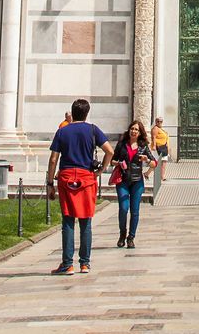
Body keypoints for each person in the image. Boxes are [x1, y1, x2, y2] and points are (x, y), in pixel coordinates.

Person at [47, 99, 110, 275]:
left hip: (67, 177)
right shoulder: (92, 130)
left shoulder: (62, 131)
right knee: (85, 221)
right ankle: (85, 263)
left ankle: (67, 264)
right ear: (87, 113)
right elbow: (109, 151)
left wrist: (50, 183)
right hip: (86, 178)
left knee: (68, 220)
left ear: (72, 112)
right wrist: (101, 171)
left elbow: (53, 159)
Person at [109, 120, 153, 249]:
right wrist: (118, 163)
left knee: (135, 211)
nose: (133, 131)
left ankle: (131, 237)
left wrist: (147, 160)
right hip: (122, 179)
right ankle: (122, 234)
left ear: (140, 133)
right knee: (123, 208)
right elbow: (112, 160)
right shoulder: (122, 144)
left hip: (137, 181)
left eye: (136, 130)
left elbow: (154, 163)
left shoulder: (143, 146)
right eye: (132, 129)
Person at [151, 117, 171, 196]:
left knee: (164, 162)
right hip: (159, 148)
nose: (160, 122)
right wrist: (154, 146)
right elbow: (154, 137)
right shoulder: (155, 129)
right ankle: (148, 173)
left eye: (161, 121)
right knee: (157, 162)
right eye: (158, 121)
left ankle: (162, 176)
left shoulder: (161, 129)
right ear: (156, 122)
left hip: (164, 148)